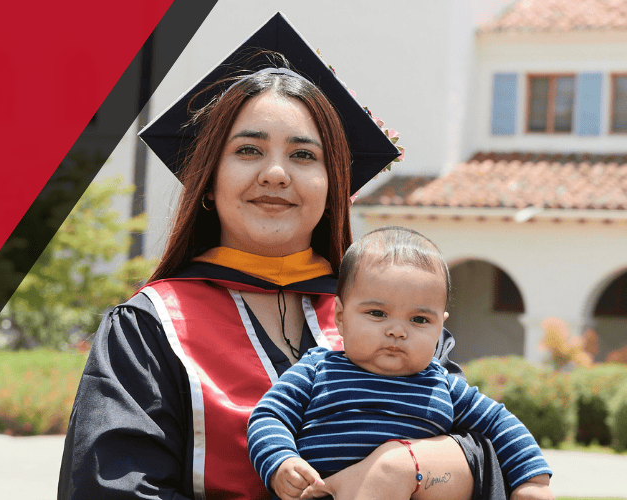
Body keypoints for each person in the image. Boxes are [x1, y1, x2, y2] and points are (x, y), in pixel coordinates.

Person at [58, 13, 506, 500]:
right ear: (208, 180)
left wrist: (405, 467)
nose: (275, 173)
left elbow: (488, 459)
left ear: (334, 186)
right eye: (248, 150)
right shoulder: (150, 328)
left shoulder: (391, 312)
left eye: (304, 156)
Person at [248, 227, 554, 500]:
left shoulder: (443, 385)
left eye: (419, 319)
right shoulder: (317, 370)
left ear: (440, 327)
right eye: (377, 314)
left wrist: (534, 481)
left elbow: (500, 423)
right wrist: (280, 461)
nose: (397, 330)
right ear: (340, 317)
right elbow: (269, 416)